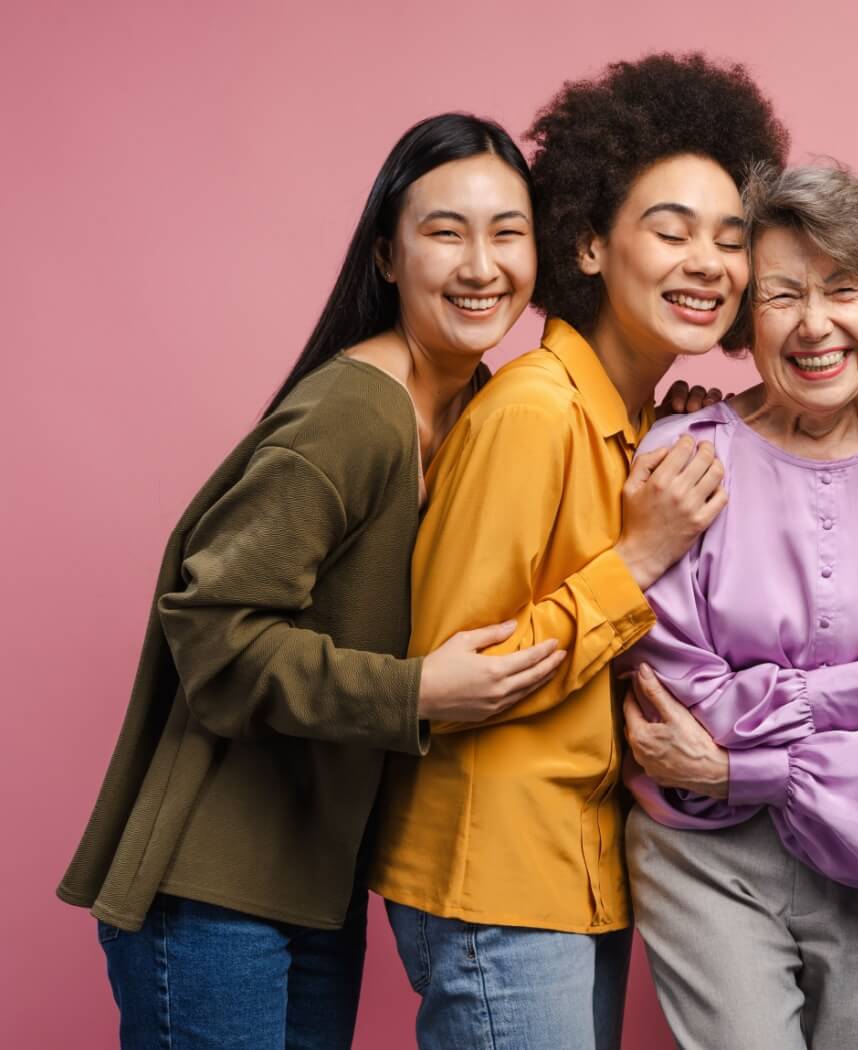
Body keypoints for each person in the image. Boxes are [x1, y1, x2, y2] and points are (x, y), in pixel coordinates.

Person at [58, 113, 565, 1049]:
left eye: (508, 231)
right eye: (445, 232)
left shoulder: (484, 411)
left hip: (315, 882)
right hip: (209, 885)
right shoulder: (355, 413)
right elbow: (212, 630)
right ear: (386, 255)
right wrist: (417, 692)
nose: (482, 265)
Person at [366, 53, 789, 1050]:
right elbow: (460, 670)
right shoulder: (532, 411)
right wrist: (636, 559)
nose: (709, 263)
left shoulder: (637, 426)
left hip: (579, 875)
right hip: (498, 884)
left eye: (731, 240)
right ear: (589, 244)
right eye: (670, 229)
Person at [616, 163, 858, 1050]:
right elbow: (678, 701)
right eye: (783, 295)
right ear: (748, 320)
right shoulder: (683, 457)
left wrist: (743, 756)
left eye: (845, 290)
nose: (816, 325)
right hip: (707, 856)